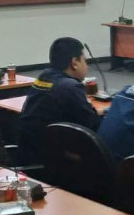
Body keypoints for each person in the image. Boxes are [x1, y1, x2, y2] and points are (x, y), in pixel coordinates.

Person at [18, 37, 103, 166]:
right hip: (54, 158)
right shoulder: (70, 86)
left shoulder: (44, 76)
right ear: (74, 63)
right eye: (85, 61)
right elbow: (92, 123)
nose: (87, 66)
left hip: (31, 149)